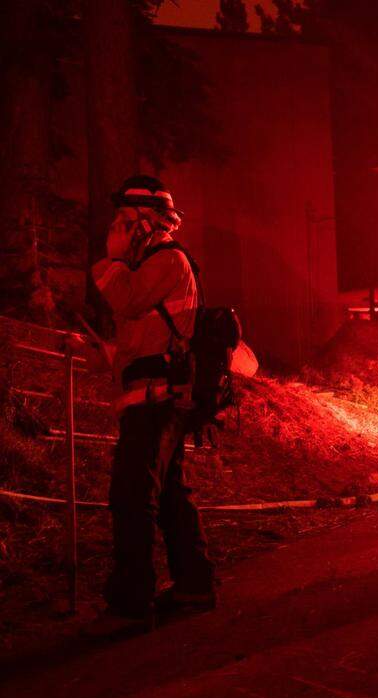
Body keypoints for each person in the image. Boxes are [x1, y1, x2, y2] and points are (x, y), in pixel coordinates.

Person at [83, 175, 216, 637]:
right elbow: (142, 334)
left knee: (131, 495)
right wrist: (104, 356)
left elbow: (130, 297)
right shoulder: (151, 266)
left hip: (157, 399)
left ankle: (130, 604)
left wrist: (111, 261)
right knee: (168, 494)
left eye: (123, 221)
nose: (115, 230)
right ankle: (193, 585)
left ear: (145, 223)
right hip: (150, 394)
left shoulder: (167, 260)